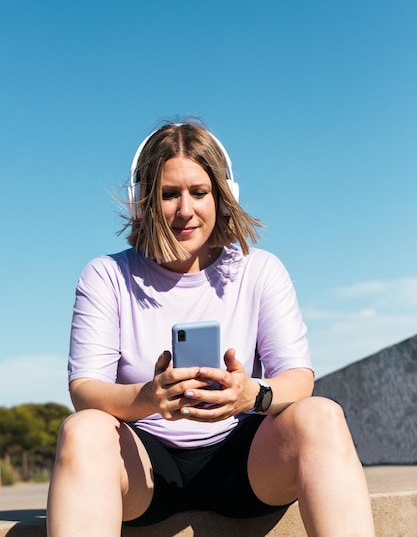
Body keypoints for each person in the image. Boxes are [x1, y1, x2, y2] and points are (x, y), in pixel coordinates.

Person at [47, 120, 375, 536]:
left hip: (243, 462)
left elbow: (298, 379)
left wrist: (250, 394)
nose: (185, 210)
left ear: (222, 197)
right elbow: (85, 391)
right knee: (81, 429)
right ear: (142, 201)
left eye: (199, 193)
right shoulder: (107, 275)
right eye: (169, 194)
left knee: (323, 416)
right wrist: (149, 397)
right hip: (145, 469)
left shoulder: (261, 270)